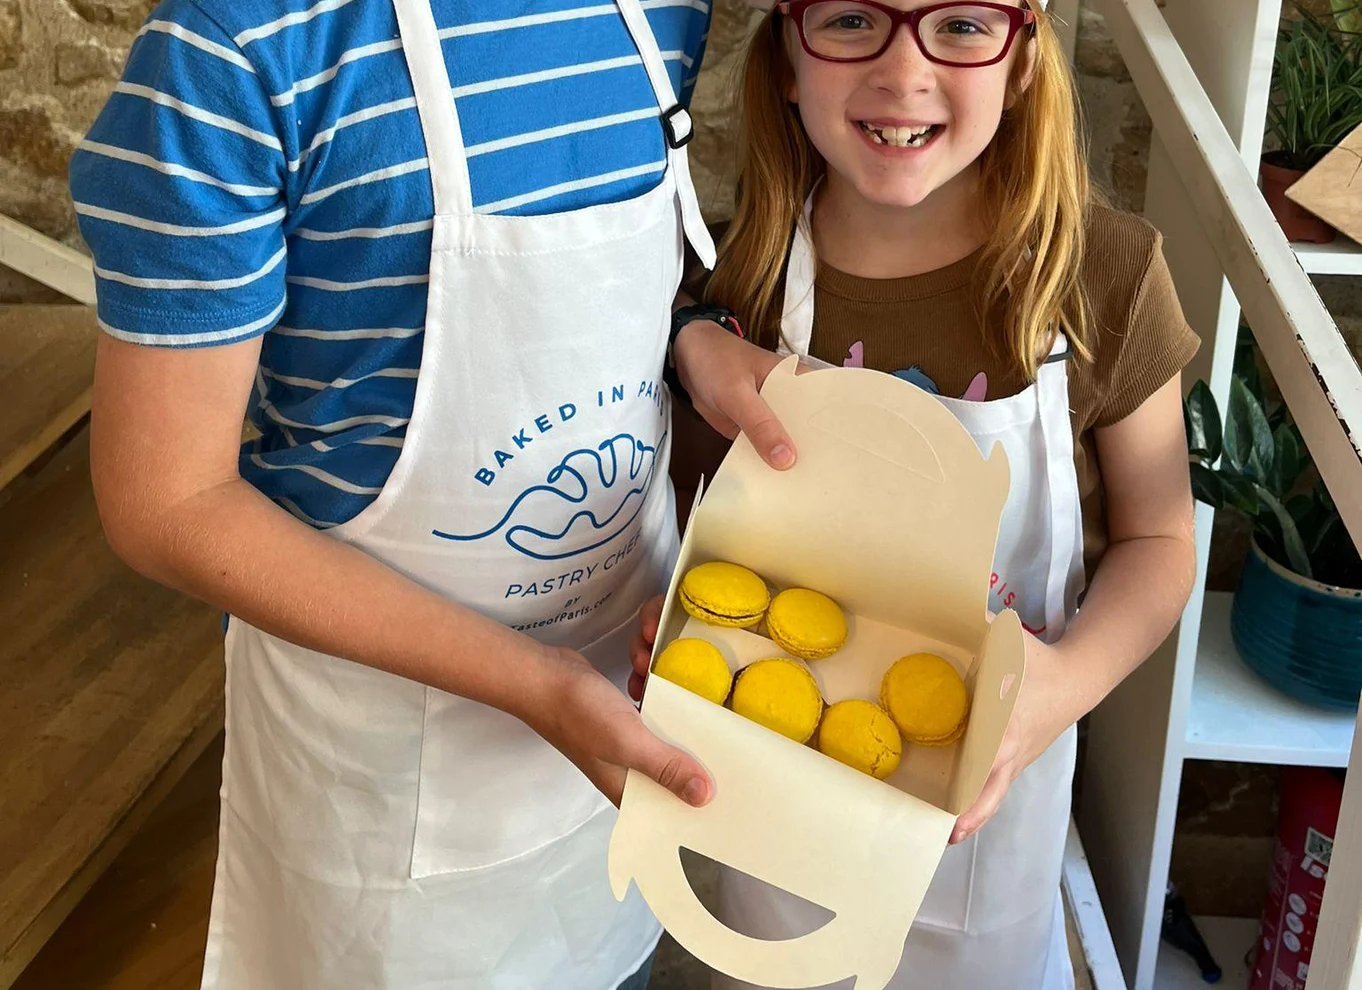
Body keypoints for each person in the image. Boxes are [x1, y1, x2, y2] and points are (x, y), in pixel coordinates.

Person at [69, 1, 797, 987]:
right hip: (382, 777)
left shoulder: (663, 12)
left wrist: (690, 336)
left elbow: (600, 285)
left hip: (629, 695)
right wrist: (537, 685)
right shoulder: (231, 54)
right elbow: (167, 503)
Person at [636, 1, 1199, 986]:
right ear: (786, 60)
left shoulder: (1102, 277)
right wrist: (676, 615)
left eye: (963, 24)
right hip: (778, 802)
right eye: (853, 18)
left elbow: (1162, 538)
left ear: (1024, 62)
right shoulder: (739, 284)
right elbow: (695, 521)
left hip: (991, 819)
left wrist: (1064, 685)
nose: (904, 72)